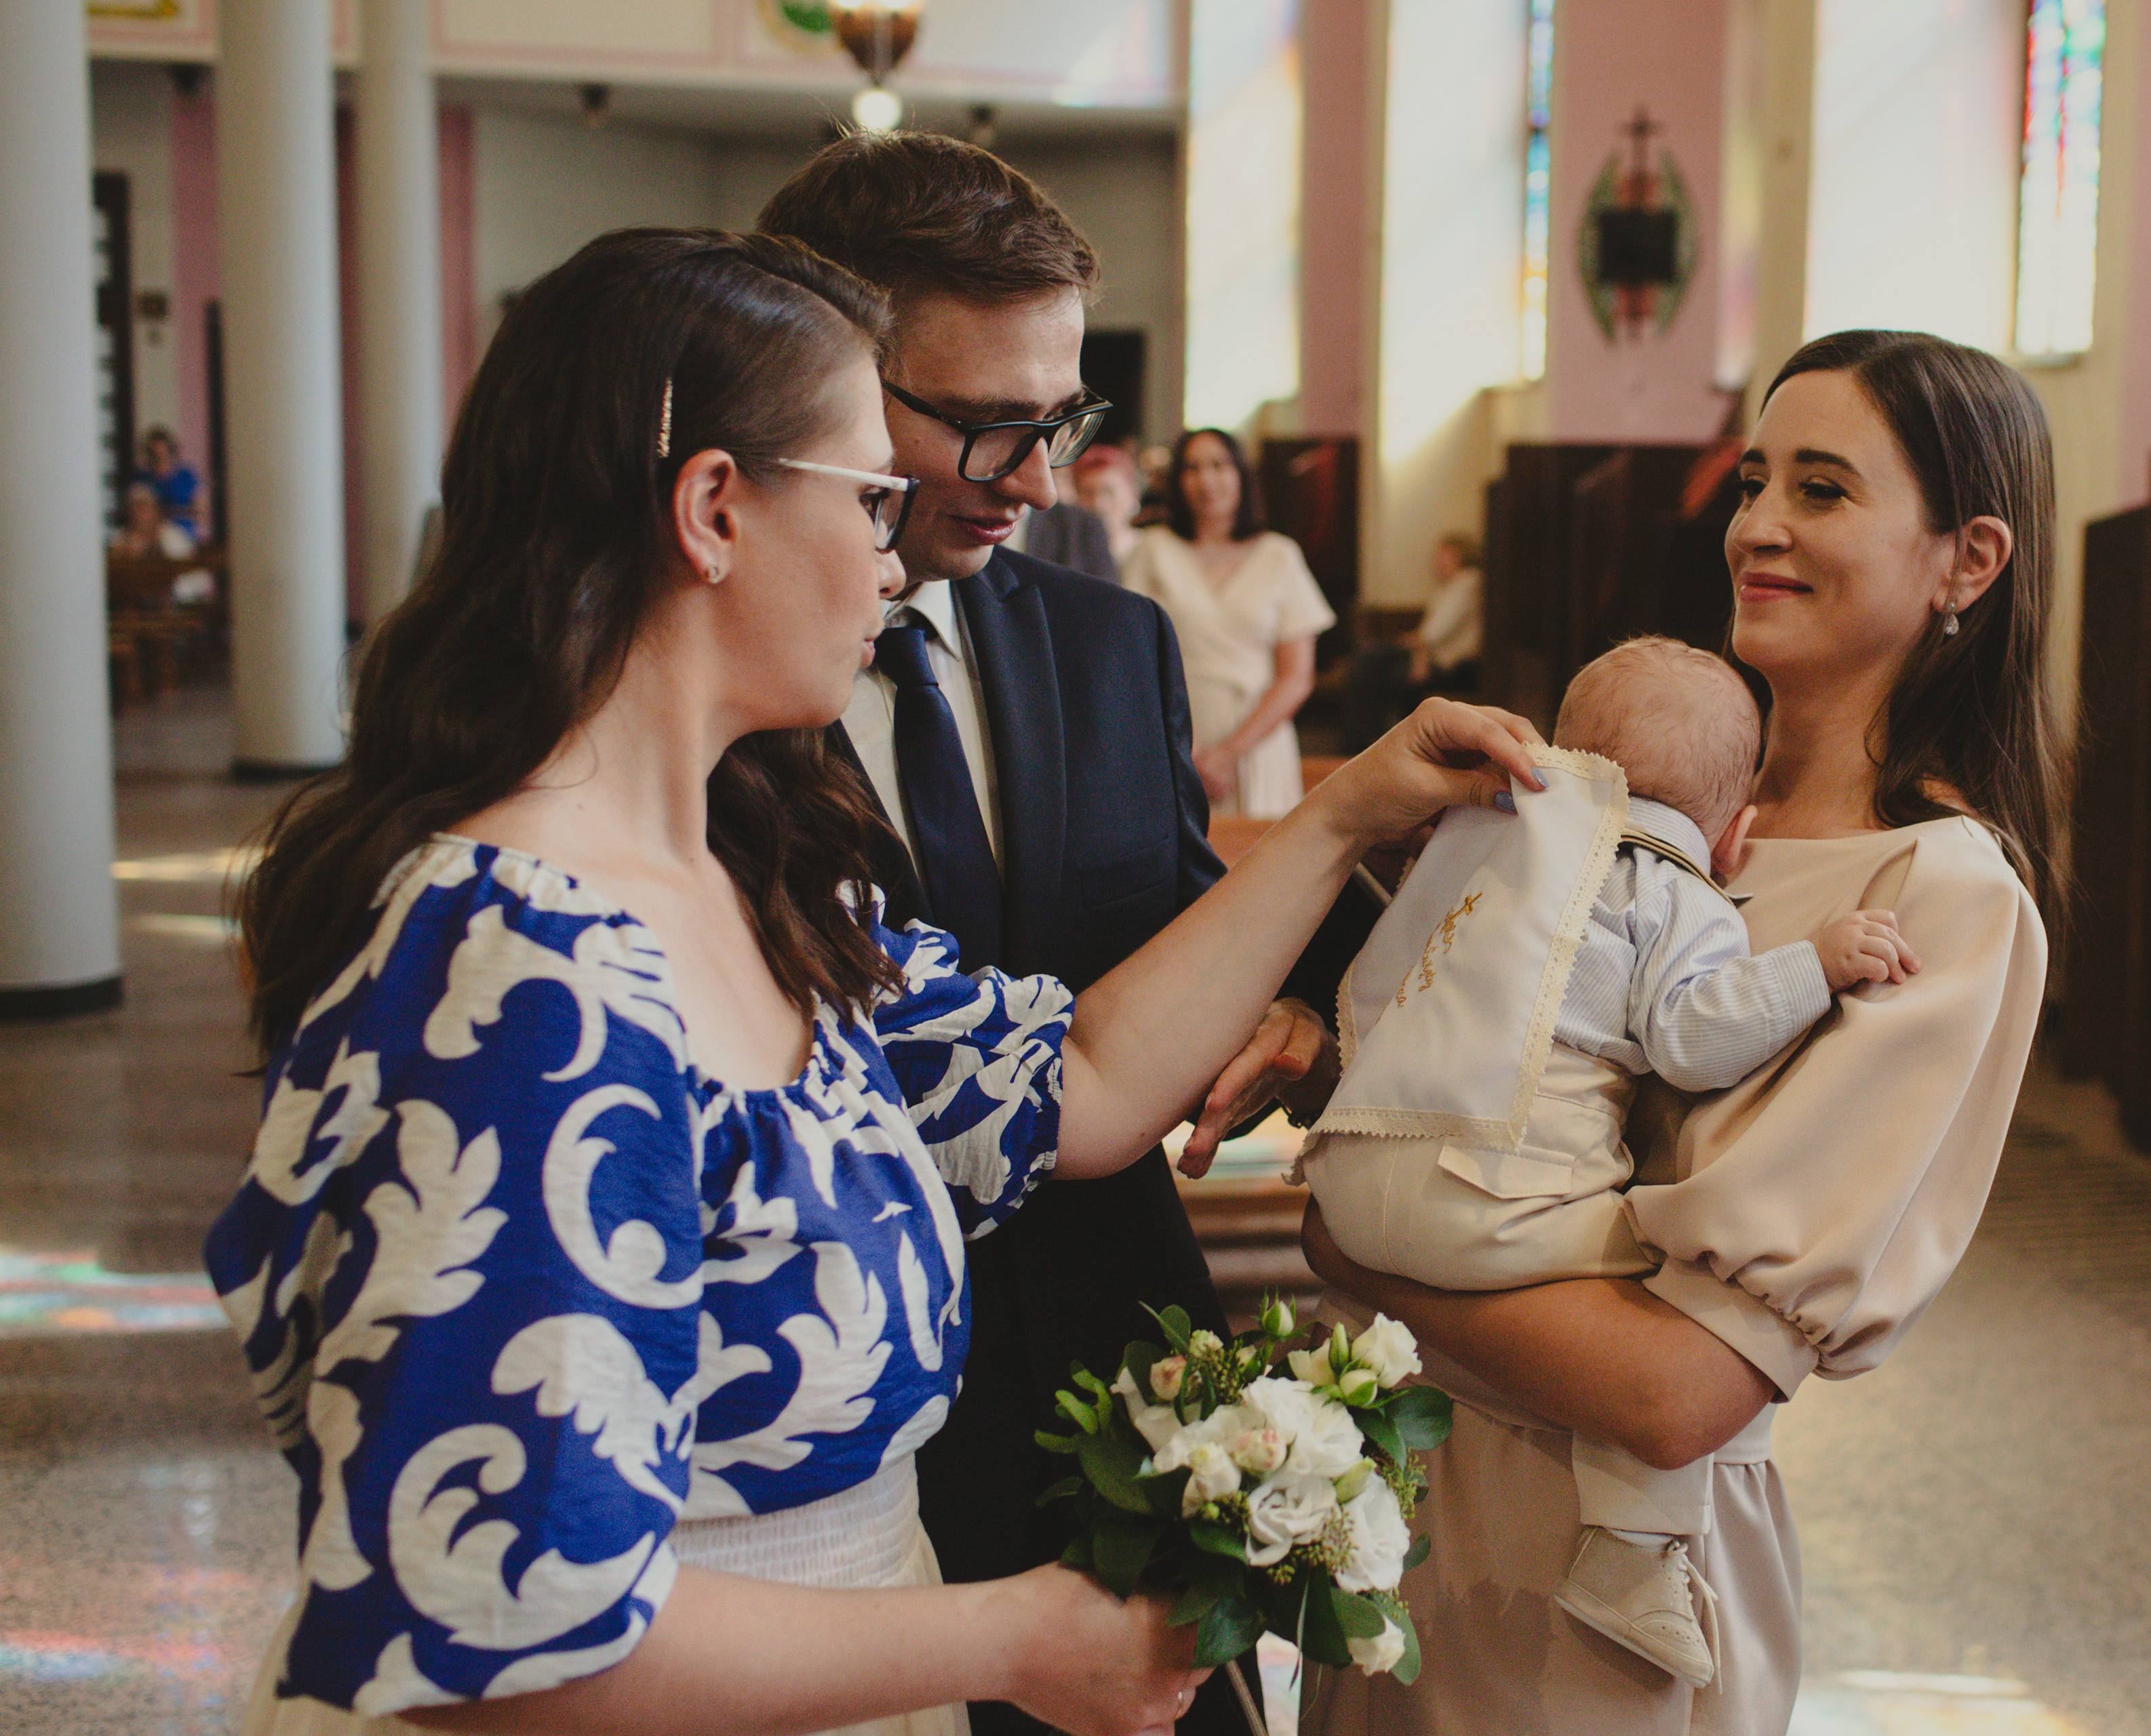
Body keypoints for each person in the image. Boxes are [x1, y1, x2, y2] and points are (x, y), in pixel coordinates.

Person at [207, 226, 1542, 1736]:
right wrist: (1011, 1636)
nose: (896, 561)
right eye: (868, 498)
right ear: (714, 509)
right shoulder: (512, 961)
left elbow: (1080, 1083)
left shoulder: (762, 876)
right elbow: (499, 1644)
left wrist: (1350, 810)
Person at [1297, 329, 2063, 1736]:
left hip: (1600, 1587)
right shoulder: (1633, 807)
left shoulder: (1937, 893)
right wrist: (1322, 1041)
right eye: (1755, 480)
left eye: (1823, 489)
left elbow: (1672, 1391)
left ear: (1968, 561)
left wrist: (1354, 1242)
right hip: (1408, 1502)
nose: (1757, 525)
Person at [754, 133, 1366, 1736]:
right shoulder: (724, 694)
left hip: (1120, 1362)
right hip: (841, 1414)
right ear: (821, 384)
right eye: (985, 424)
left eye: (1061, 422)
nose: (1036, 480)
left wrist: (1299, 1015)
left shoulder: (1110, 643)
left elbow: (1189, 917)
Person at [1301, 636, 1915, 1689]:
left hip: (1355, 1170)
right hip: (1488, 1206)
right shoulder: (1669, 886)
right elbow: (1695, 1038)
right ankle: (1632, 1557)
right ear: (1735, 829)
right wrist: (1813, 965)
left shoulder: (1483, 847)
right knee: (1665, 1301)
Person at [1122, 429, 1337, 819]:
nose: (1206, 480)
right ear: (1178, 480)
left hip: (1257, 738)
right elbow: (1130, 664)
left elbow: (1296, 676)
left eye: (1219, 465)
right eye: (1193, 468)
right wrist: (1183, 751)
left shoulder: (1279, 555)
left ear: (1241, 474)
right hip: (1171, 735)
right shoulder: (1151, 550)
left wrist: (1228, 753)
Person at [1340, 534, 1484, 752]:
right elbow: (1428, 637)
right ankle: (1368, 740)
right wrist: (1418, 653)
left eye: (1443, 554)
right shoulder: (1449, 586)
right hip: (1434, 659)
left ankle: (1363, 742)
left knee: (1372, 659)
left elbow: (1432, 634)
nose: (1436, 560)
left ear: (1459, 556)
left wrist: (1417, 654)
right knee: (1370, 665)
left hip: (1456, 668)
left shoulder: (1468, 581)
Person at [1071, 443, 1143, 567]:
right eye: (1088, 493)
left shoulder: (1151, 550)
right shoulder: (1069, 552)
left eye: (1109, 492)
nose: (1099, 504)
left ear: (1133, 493)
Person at [134, 425, 202, 540]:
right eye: (154, 451)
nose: (158, 453)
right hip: (149, 532)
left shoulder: (186, 476)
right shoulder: (142, 478)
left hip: (181, 532)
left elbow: (198, 511)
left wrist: (166, 511)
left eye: (161, 449)